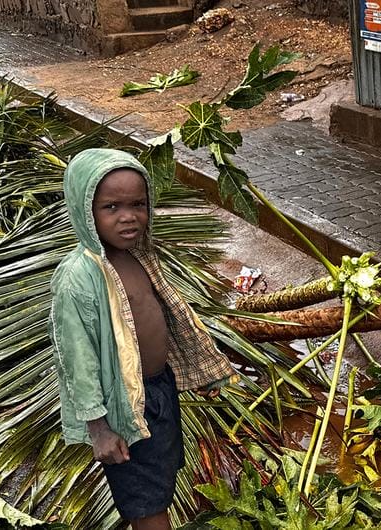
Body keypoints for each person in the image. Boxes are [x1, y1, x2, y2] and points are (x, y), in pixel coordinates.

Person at [50, 148, 241, 529]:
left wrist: (201, 373)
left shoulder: (138, 254)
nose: (128, 217)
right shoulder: (79, 278)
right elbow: (77, 362)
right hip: (121, 408)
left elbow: (169, 316)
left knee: (161, 474)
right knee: (145, 499)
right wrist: (100, 429)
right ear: (84, 210)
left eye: (138, 204)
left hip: (157, 390)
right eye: (111, 207)